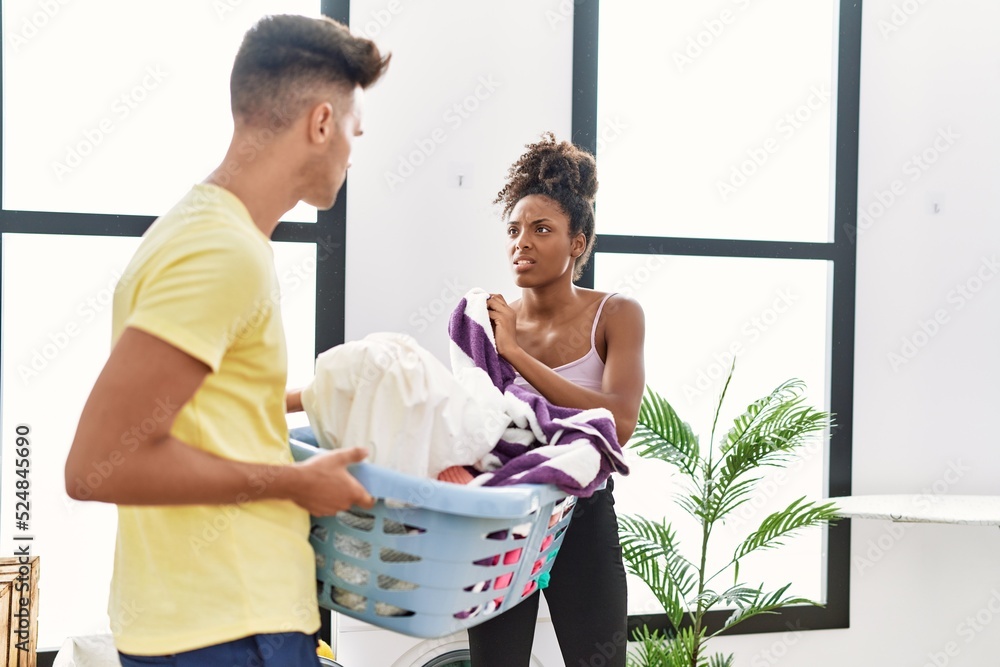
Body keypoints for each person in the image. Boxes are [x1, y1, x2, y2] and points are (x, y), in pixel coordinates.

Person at [63, 15, 389, 666]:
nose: (354, 151)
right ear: (321, 123)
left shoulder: (195, 230)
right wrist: (295, 482)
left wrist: (312, 396)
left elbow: (194, 411)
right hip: (230, 627)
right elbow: (100, 463)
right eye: (355, 130)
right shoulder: (225, 251)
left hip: (201, 622)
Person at [469, 133, 646, 666]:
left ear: (577, 243)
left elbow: (617, 422)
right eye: (514, 229)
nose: (522, 241)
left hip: (582, 514)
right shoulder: (487, 321)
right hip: (505, 519)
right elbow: (474, 424)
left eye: (541, 229)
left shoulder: (617, 315)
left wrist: (518, 354)